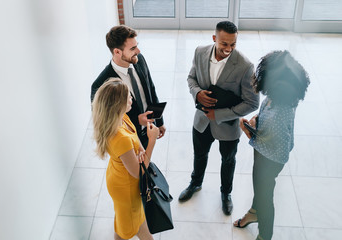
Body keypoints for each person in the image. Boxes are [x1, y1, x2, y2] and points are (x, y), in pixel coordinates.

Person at [180, 21, 260, 216]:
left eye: (233, 44)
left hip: (228, 126)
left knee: (228, 160)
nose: (229, 49)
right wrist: (197, 93)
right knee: (199, 155)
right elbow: (191, 78)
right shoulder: (199, 52)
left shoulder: (245, 66)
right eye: (224, 44)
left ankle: (226, 194)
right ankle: (195, 183)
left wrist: (220, 114)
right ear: (214, 38)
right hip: (201, 121)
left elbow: (252, 103)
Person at [233, 50, 310, 240]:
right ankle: (253, 212)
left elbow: (266, 139)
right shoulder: (284, 97)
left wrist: (246, 129)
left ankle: (264, 236)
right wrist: (257, 119)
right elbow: (266, 116)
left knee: (265, 197)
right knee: (261, 189)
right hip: (271, 154)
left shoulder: (279, 111)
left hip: (269, 158)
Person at [92, 78, 160, 240]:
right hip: (126, 187)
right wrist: (152, 141)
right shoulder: (119, 137)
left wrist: (141, 151)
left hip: (121, 177)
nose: (132, 99)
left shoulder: (122, 117)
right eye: (128, 97)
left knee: (130, 221)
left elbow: (136, 144)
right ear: (118, 104)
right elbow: (138, 172)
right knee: (127, 228)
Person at [91, 25, 166, 148]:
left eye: (137, 45)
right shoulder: (101, 85)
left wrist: (160, 121)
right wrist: (137, 121)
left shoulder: (138, 59)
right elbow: (104, 123)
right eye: (133, 48)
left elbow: (151, 89)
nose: (138, 51)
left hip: (148, 131)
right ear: (117, 52)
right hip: (127, 142)